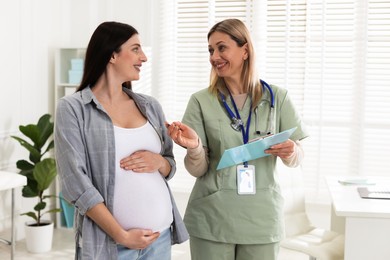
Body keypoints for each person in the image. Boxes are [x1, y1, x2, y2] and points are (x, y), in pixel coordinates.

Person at [166, 18, 309, 260]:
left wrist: (292, 151)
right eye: (210, 50)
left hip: (260, 218)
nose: (214, 56)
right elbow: (198, 169)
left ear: (245, 50)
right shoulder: (201, 101)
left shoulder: (278, 98)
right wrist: (194, 148)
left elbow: (297, 157)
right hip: (212, 215)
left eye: (222, 48)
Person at [54, 21, 188, 260]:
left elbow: (169, 165)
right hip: (110, 244)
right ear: (112, 54)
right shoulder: (73, 109)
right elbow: (75, 182)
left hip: (159, 238)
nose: (144, 57)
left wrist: (159, 162)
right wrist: (121, 235)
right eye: (135, 49)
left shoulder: (149, 106)